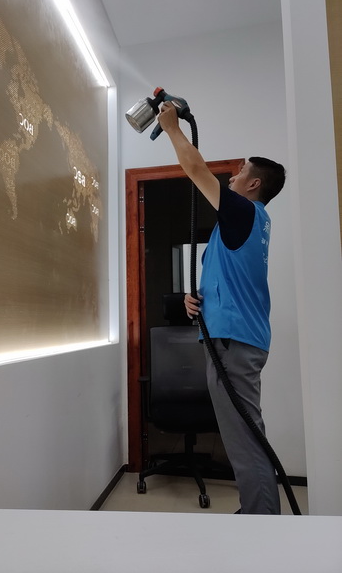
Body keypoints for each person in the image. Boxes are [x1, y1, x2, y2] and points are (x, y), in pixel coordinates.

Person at [158, 101, 286, 514]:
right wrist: (197, 299)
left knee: (244, 441)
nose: (233, 177)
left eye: (240, 172)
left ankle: (261, 524)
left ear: (254, 184)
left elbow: (196, 169)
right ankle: (258, 514)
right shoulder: (250, 222)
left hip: (234, 344)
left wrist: (172, 128)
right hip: (237, 339)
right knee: (246, 436)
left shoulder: (245, 212)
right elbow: (231, 279)